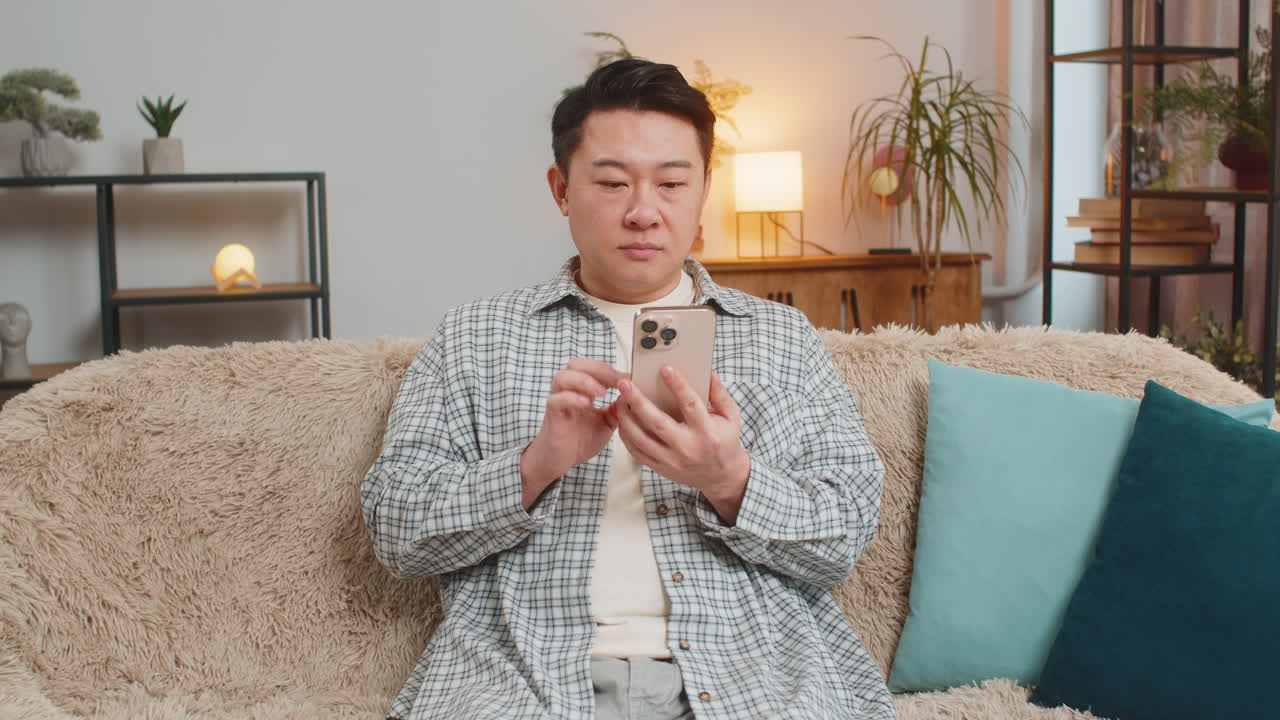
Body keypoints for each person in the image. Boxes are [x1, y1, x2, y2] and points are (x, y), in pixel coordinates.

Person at [361, 58, 893, 720]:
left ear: (704, 190)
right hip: (524, 682)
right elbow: (396, 529)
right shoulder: (476, 337)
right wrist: (536, 466)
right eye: (612, 183)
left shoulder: (781, 337)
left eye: (672, 183)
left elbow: (847, 532)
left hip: (753, 680)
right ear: (561, 189)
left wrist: (731, 480)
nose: (643, 213)